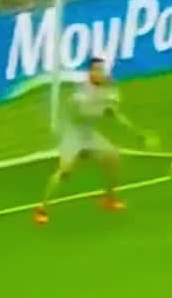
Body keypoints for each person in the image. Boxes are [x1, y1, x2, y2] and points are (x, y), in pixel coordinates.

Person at [33, 58, 154, 225]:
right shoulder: (81, 92)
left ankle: (109, 199)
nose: (100, 73)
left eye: (101, 70)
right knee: (64, 171)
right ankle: (41, 209)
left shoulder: (104, 93)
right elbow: (82, 111)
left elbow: (116, 116)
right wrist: (103, 100)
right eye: (96, 70)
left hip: (89, 135)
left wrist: (138, 133)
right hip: (74, 135)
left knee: (113, 158)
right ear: (90, 72)